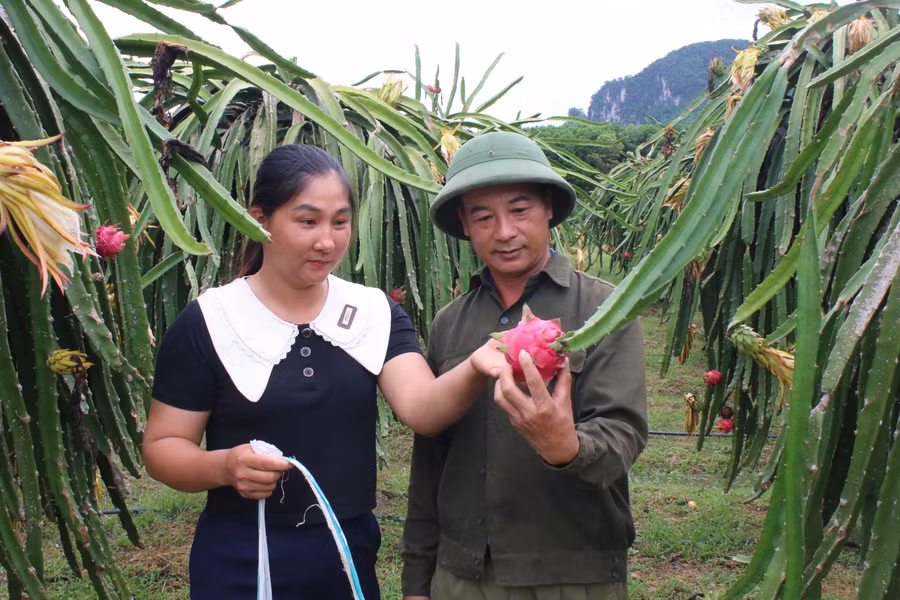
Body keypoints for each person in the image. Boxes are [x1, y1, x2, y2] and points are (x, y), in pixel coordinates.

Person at [143, 144, 506, 599]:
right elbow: (162, 447)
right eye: (307, 220)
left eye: (340, 221)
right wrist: (223, 466)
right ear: (260, 219)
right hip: (241, 558)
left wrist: (476, 365)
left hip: (346, 554)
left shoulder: (372, 312)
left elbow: (422, 408)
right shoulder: (211, 322)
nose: (327, 241)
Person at [400, 132, 649, 600]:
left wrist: (566, 446)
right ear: (464, 224)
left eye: (520, 210)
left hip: (571, 575)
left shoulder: (605, 310)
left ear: (549, 207)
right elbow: (431, 458)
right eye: (484, 217)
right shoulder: (451, 323)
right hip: (460, 577)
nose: (505, 231)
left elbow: (624, 434)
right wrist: (418, 578)